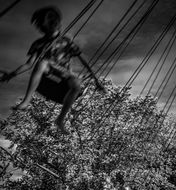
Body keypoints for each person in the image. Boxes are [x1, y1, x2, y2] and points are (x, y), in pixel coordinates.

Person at [1, 6, 104, 134]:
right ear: (42, 25)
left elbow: (84, 62)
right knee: (43, 63)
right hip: (46, 80)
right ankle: (26, 101)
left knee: (76, 83)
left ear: (58, 22)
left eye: (54, 19)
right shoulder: (39, 44)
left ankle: (60, 119)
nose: (52, 22)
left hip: (63, 86)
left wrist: (96, 80)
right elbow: (29, 64)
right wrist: (11, 75)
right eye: (48, 20)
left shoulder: (66, 42)